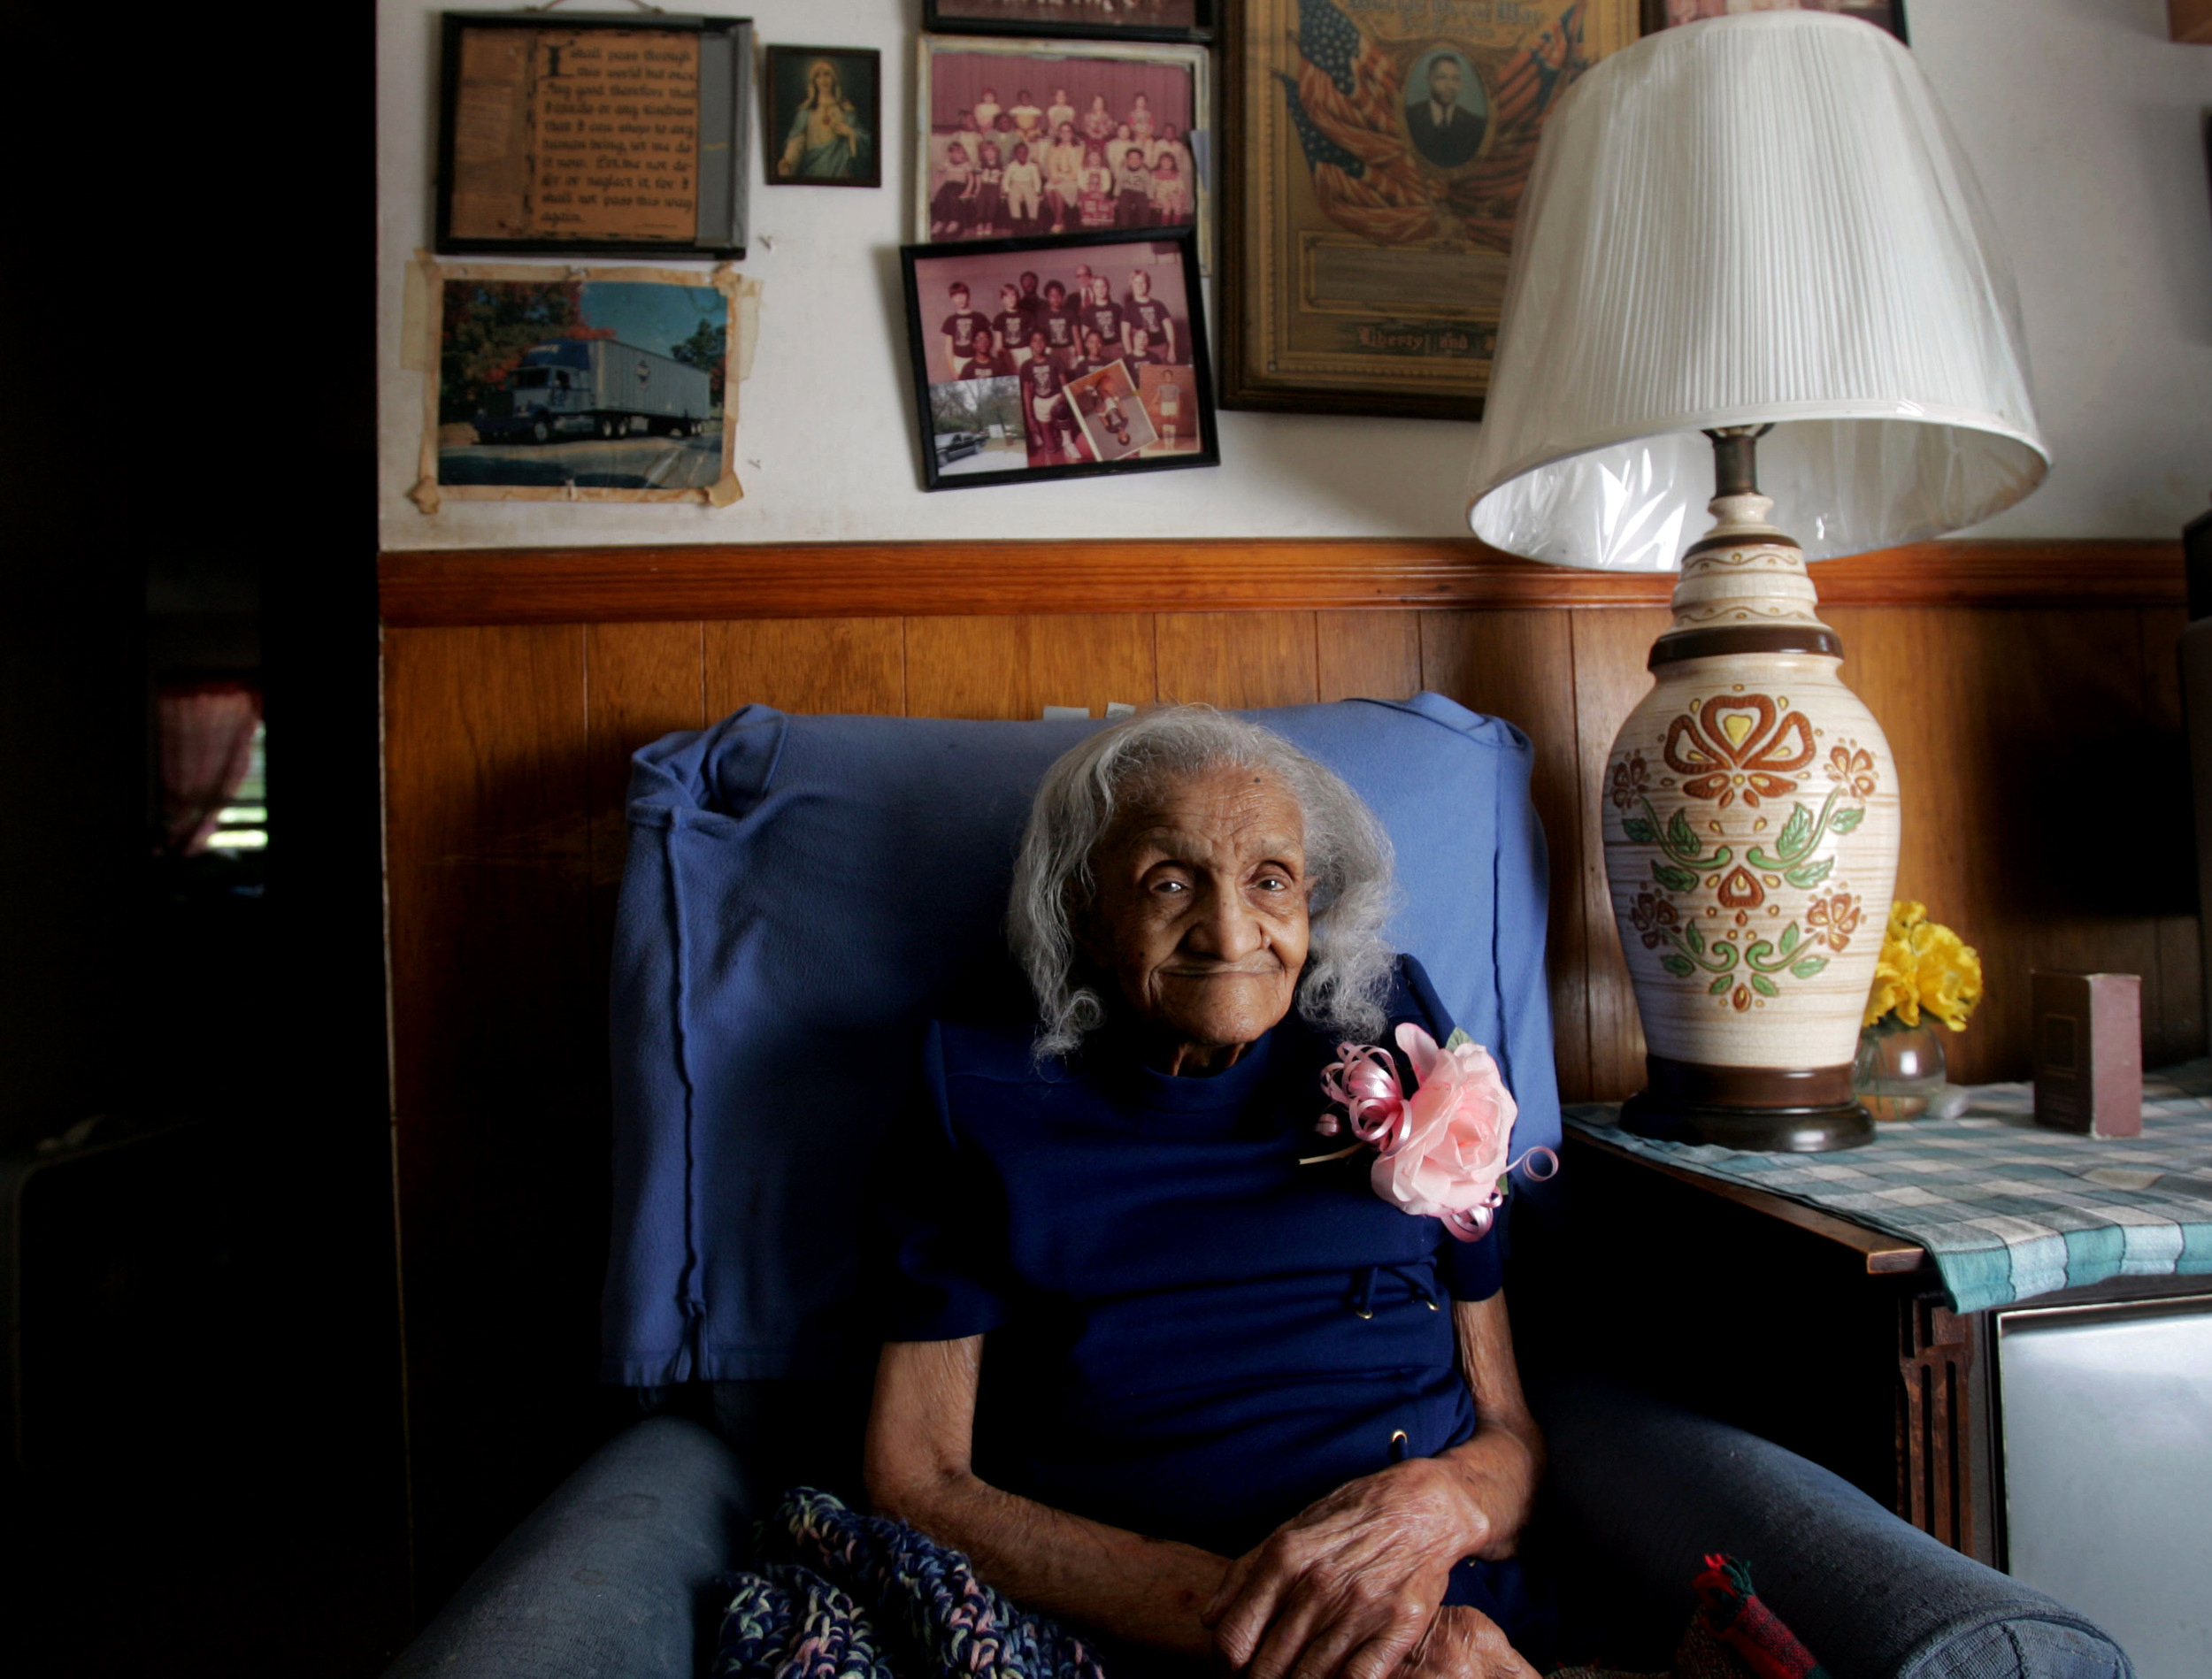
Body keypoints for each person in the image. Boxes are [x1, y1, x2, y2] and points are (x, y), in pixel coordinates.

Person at [866, 707, 1549, 1679]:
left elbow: (1510, 1430)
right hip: (1154, 1631)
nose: (1231, 930)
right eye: (1169, 880)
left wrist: (1443, 1505)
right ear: (1086, 911)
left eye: (1270, 879)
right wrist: (1263, 1619)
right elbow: (917, 1480)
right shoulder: (977, 1084)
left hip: (1448, 1603)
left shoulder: (1394, 1026)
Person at [778, 58, 871, 181]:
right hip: (814, 171)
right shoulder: (806, 111)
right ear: (814, 81)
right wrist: (788, 162)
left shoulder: (846, 110)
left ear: (834, 78)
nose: (823, 80)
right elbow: (797, 140)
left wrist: (851, 133)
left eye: (827, 74)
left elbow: (866, 141)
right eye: (818, 76)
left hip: (841, 172)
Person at [1405, 53, 1486, 169]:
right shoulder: (1408, 117)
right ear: (1429, 80)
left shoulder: (1476, 125)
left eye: (1455, 79)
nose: (1449, 85)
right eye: (1442, 77)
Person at [939, 283, 995, 382]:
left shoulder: (979, 317)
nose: (960, 299)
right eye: (956, 296)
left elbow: (989, 342)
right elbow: (948, 350)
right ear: (952, 299)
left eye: (962, 295)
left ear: (968, 295)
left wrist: (987, 363)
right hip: (959, 362)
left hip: (978, 361)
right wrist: (953, 372)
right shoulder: (950, 320)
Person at [1121, 267, 1178, 364]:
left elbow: (1169, 328)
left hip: (1159, 349)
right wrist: (1130, 355)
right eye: (1136, 282)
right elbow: (1125, 334)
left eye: (1142, 282)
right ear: (1132, 285)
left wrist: (1172, 350)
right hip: (1140, 351)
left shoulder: (1158, 304)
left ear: (1147, 284)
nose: (1139, 285)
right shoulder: (1129, 307)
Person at [1046, 121, 1085, 233]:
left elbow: (1078, 167)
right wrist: (1054, 177)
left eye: (1068, 131)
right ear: (1059, 133)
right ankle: (1061, 220)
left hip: (1072, 178)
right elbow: (1051, 164)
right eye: (1063, 131)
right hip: (1057, 176)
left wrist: (1063, 179)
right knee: (1048, 189)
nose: (1065, 133)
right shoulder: (1054, 147)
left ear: (1072, 133)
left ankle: (1057, 222)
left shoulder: (1079, 147)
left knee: (1058, 190)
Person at [931, 142, 975, 238]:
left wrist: (968, 191)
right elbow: (938, 175)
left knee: (953, 199)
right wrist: (937, 187)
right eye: (957, 153)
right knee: (940, 198)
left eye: (962, 153)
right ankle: (940, 221)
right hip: (948, 184)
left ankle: (954, 221)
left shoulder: (966, 165)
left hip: (960, 185)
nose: (960, 155)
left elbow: (971, 179)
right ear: (950, 154)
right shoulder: (946, 163)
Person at [1002, 142, 1045, 235]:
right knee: (1013, 197)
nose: (1022, 154)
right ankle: (1016, 220)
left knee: (1033, 198)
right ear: (1015, 154)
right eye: (1019, 152)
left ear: (1028, 153)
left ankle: (1032, 219)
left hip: (1028, 184)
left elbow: (1036, 179)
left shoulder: (1032, 166)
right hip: (1015, 184)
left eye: (1024, 152)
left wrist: (1037, 190)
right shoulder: (1011, 166)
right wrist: (1006, 190)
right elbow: (1006, 179)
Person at [1038, 280, 1081, 368]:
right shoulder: (1043, 315)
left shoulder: (1069, 313)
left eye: (1058, 295)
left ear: (1062, 296)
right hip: (1051, 350)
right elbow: (1040, 338)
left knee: (1071, 377)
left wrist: (1081, 356)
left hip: (1068, 350)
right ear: (1047, 297)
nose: (1055, 298)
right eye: (1052, 295)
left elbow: (1076, 337)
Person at [993, 284, 1033, 376]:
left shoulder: (1026, 315)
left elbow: (1032, 339)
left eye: (1013, 295)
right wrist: (1002, 360)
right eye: (1007, 296)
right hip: (1009, 354)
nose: (1010, 298)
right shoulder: (999, 318)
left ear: (1018, 297)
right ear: (1002, 299)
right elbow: (998, 345)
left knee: (1027, 381)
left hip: (1025, 352)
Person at [969, 141, 1006, 237]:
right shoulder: (980, 164)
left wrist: (1001, 191)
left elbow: (1002, 179)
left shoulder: (1000, 165)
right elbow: (978, 177)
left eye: (992, 151)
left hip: (994, 186)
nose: (989, 154)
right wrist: (977, 188)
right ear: (983, 153)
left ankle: (989, 222)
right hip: (984, 185)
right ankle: (980, 222)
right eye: (987, 151)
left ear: (997, 153)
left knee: (993, 201)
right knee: (980, 200)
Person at [1077, 142, 1117, 230]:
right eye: (1092, 156)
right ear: (1088, 157)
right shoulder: (1083, 169)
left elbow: (1107, 186)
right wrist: (1089, 191)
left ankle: (1101, 223)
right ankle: (1090, 223)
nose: (1095, 158)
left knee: (1104, 206)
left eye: (1097, 156)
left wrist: (1100, 192)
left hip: (1101, 195)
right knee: (1088, 204)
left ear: (1101, 158)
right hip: (1086, 194)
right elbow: (1081, 184)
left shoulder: (1105, 170)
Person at [1114, 144, 1154, 229]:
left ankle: (1143, 226)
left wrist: (1150, 198)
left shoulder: (1144, 172)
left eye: (1137, 159)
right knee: (1123, 205)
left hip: (1140, 192)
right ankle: (1124, 225)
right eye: (1131, 158)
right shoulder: (1123, 170)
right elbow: (1119, 184)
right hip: (1126, 191)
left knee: (1144, 207)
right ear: (1127, 160)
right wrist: (1116, 196)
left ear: (1141, 160)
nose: (1134, 161)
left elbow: (1148, 185)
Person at [1149, 150, 1191, 227]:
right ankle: (1165, 227)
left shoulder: (1176, 174)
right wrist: (1152, 199)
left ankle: (1176, 227)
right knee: (1167, 206)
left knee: (1178, 206)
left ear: (1173, 163)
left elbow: (1181, 187)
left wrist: (1181, 197)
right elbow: (1152, 187)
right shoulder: (1155, 173)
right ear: (1159, 162)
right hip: (1161, 195)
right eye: (1163, 161)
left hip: (1174, 194)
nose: (1166, 163)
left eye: (1169, 161)